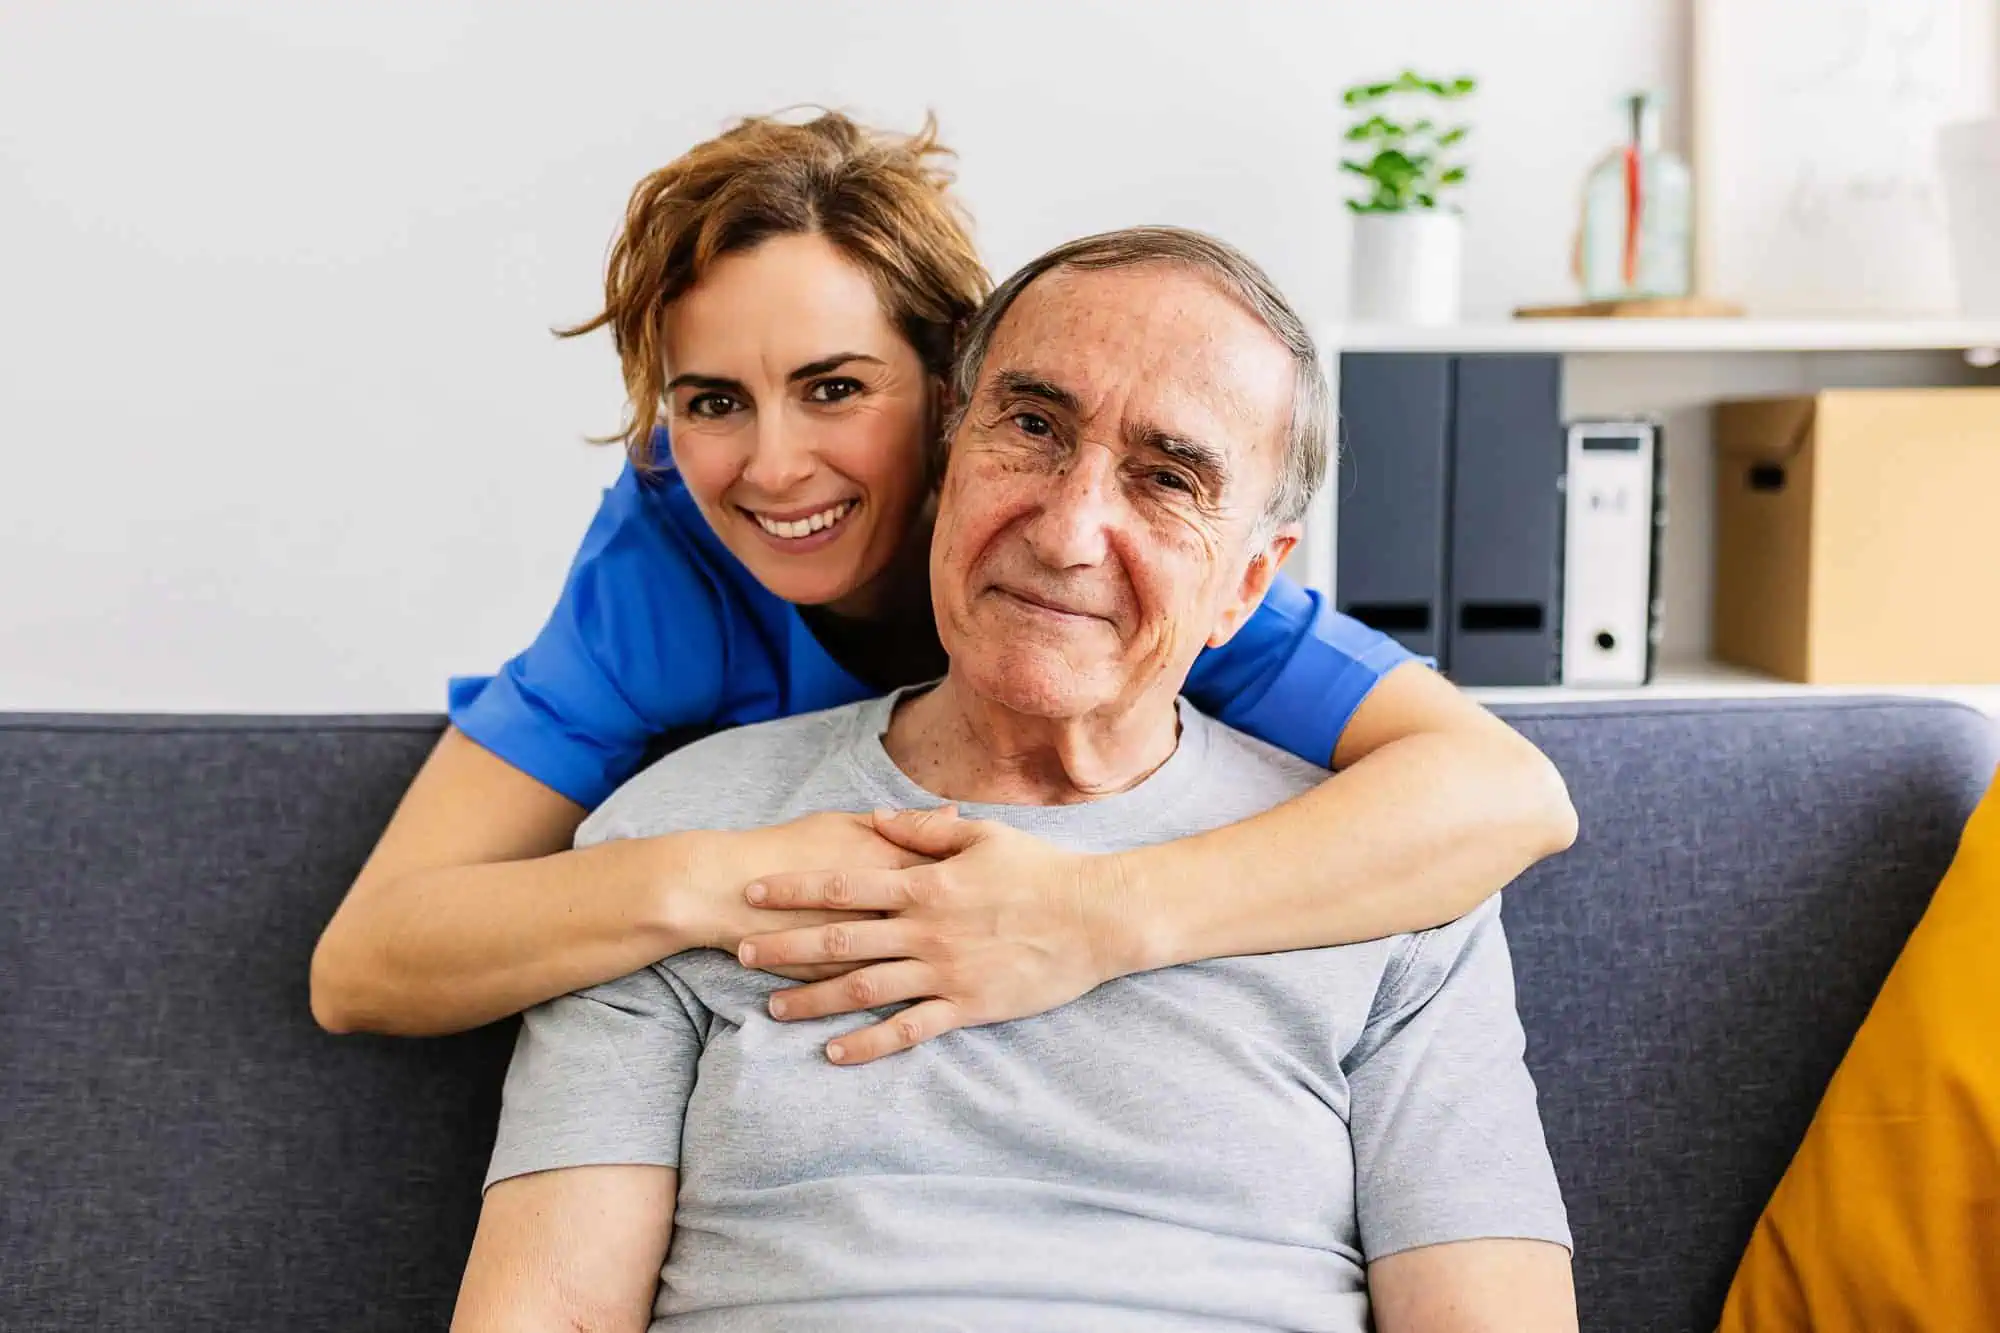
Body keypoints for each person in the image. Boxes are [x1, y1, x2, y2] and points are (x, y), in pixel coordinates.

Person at [450, 227, 1577, 1332]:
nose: (1070, 529)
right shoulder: (679, 834)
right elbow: (548, 1303)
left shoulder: (1393, 875)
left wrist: (1093, 912)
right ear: (949, 455)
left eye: (1166, 476)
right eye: (1033, 426)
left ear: (1248, 583)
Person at [310, 110, 1578, 1064]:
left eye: (834, 386)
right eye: (710, 403)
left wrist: (1093, 913)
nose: (770, 465)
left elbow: (1503, 795)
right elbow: (368, 961)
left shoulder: (1104, 570)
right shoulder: (667, 555)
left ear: (955, 396)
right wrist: (719, 877)